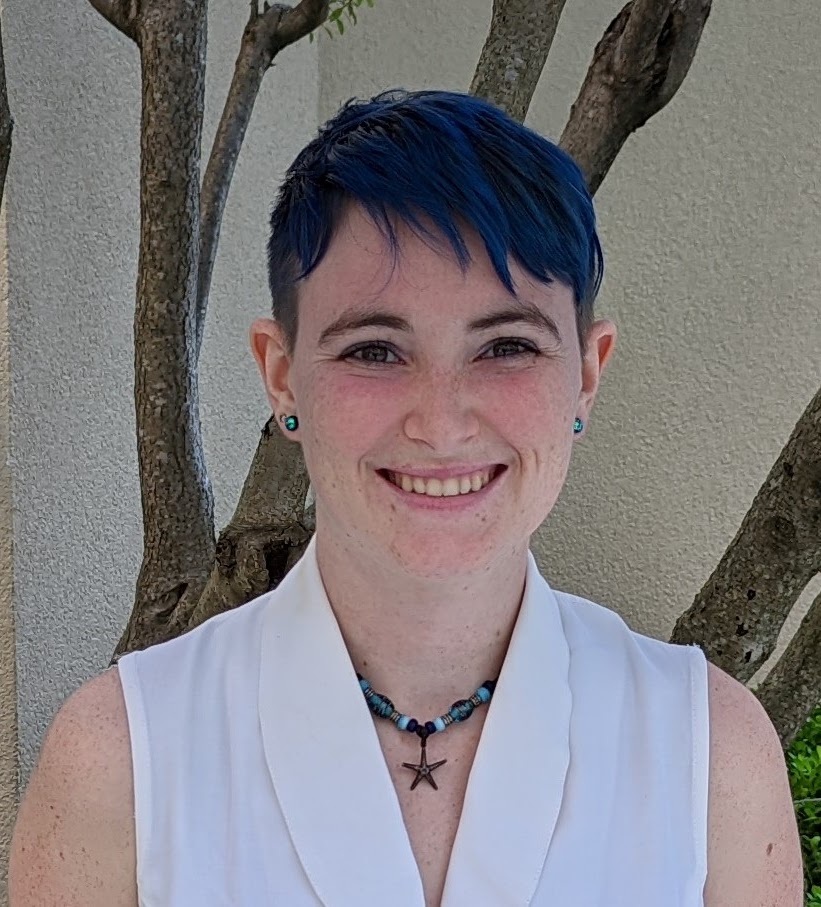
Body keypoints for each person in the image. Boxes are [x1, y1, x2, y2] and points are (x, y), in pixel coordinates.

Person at [9, 89, 803, 907]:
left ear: (586, 375)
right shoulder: (119, 759)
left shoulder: (711, 755)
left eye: (505, 345)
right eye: (376, 350)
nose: (440, 421)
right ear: (281, 374)